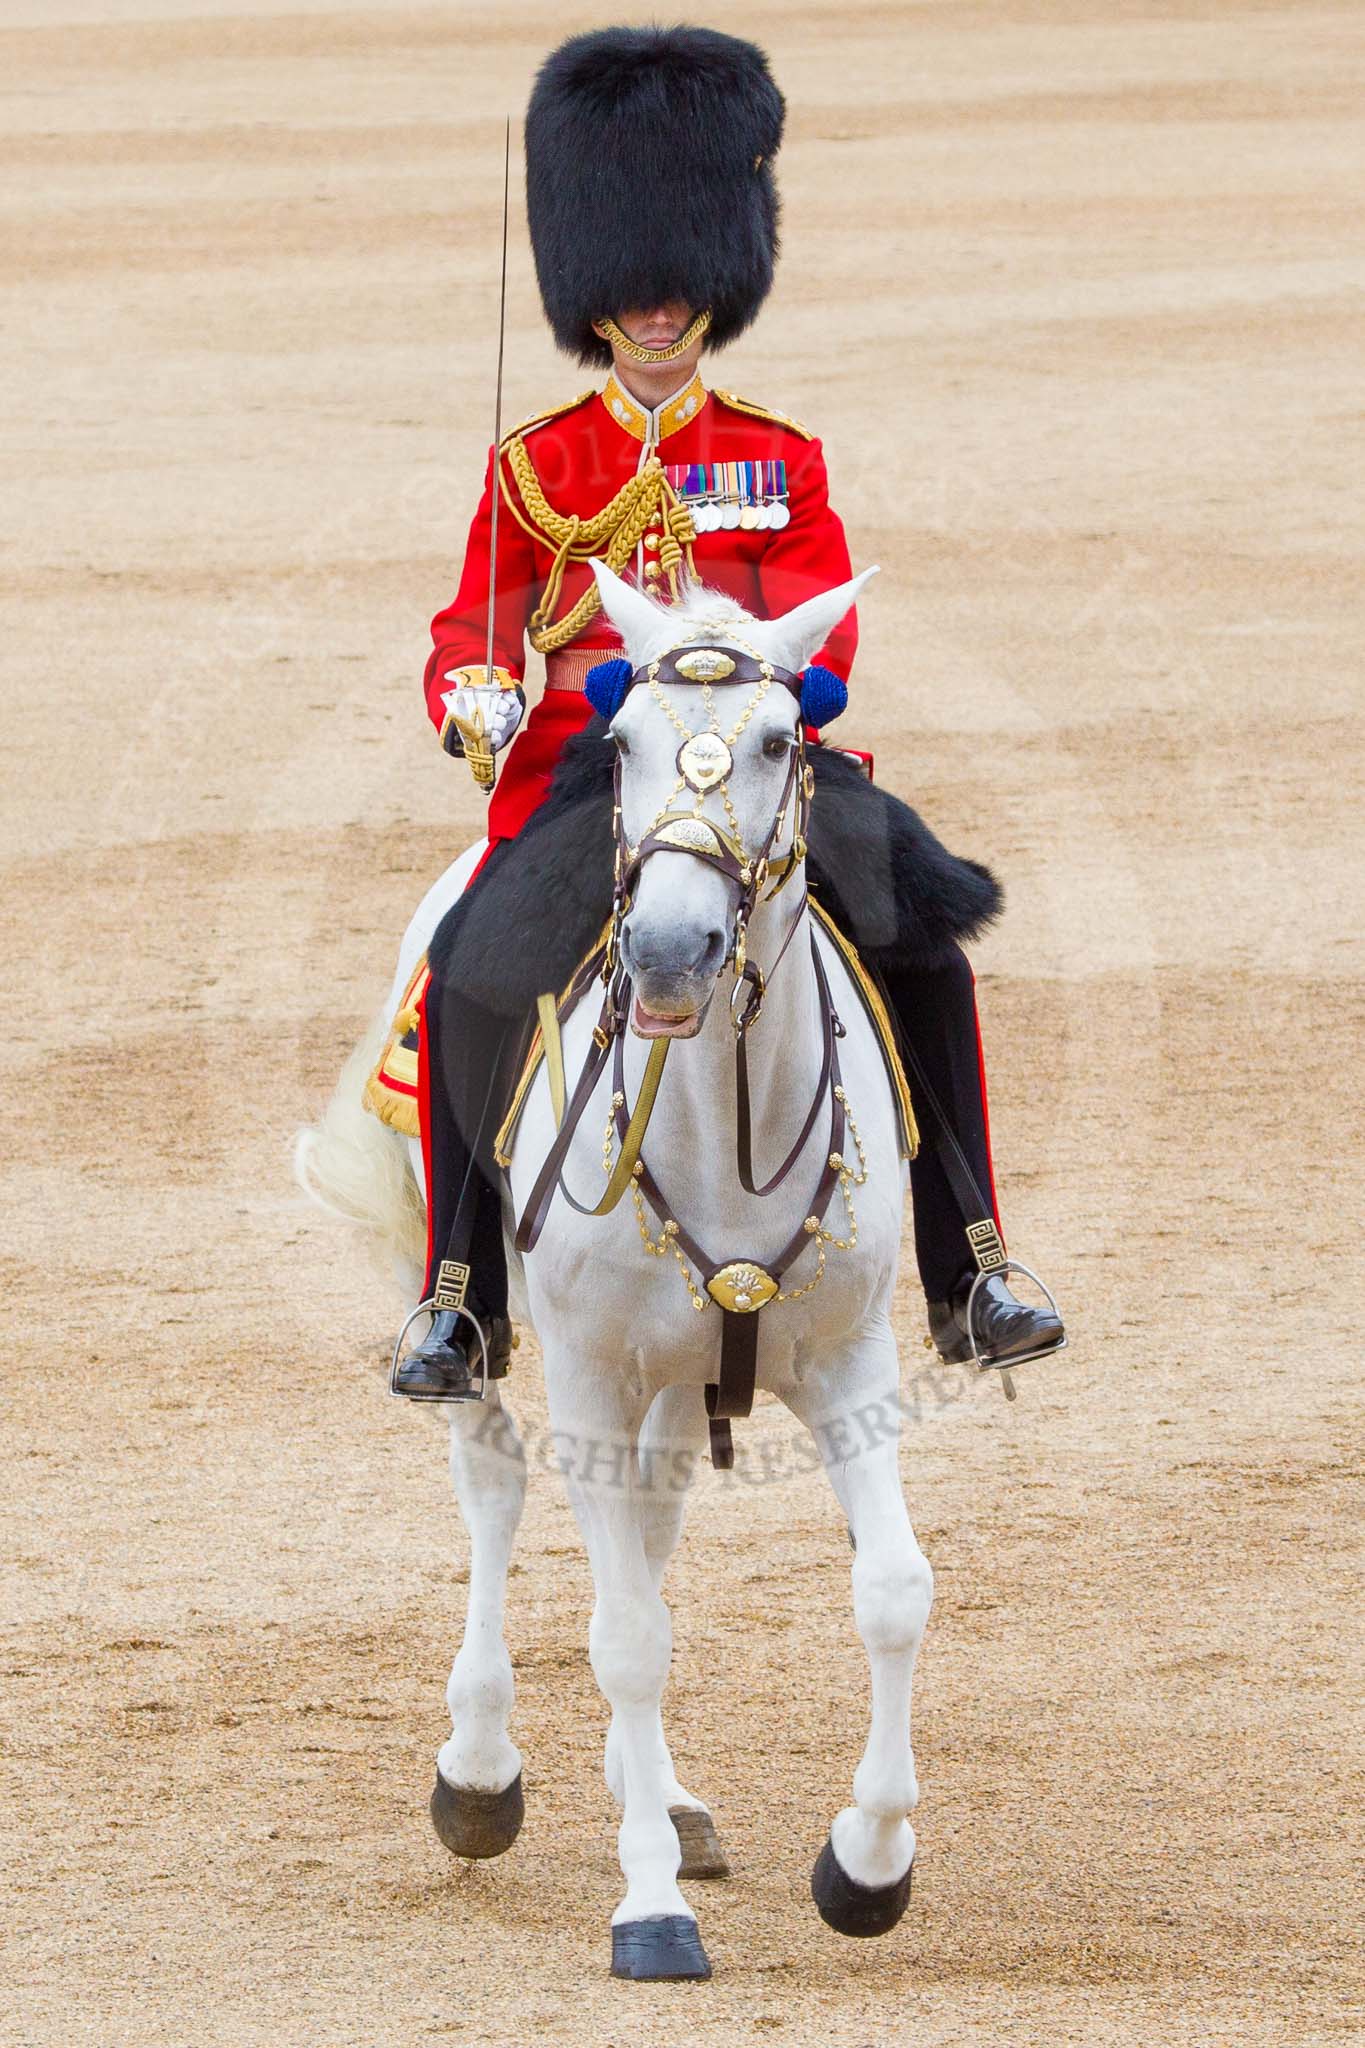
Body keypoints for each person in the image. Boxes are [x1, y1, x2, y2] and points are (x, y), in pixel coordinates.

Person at [391, 25, 1064, 1398]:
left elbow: (827, 610)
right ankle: (458, 1299)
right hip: (595, 776)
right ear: (599, 295)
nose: (655, 311)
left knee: (926, 950)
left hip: (763, 761)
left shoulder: (774, 452)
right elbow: (477, 620)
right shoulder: (538, 465)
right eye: (632, 289)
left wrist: (796, 689)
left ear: (717, 281)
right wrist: (473, 690)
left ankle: (972, 1262)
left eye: (677, 287)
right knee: (469, 968)